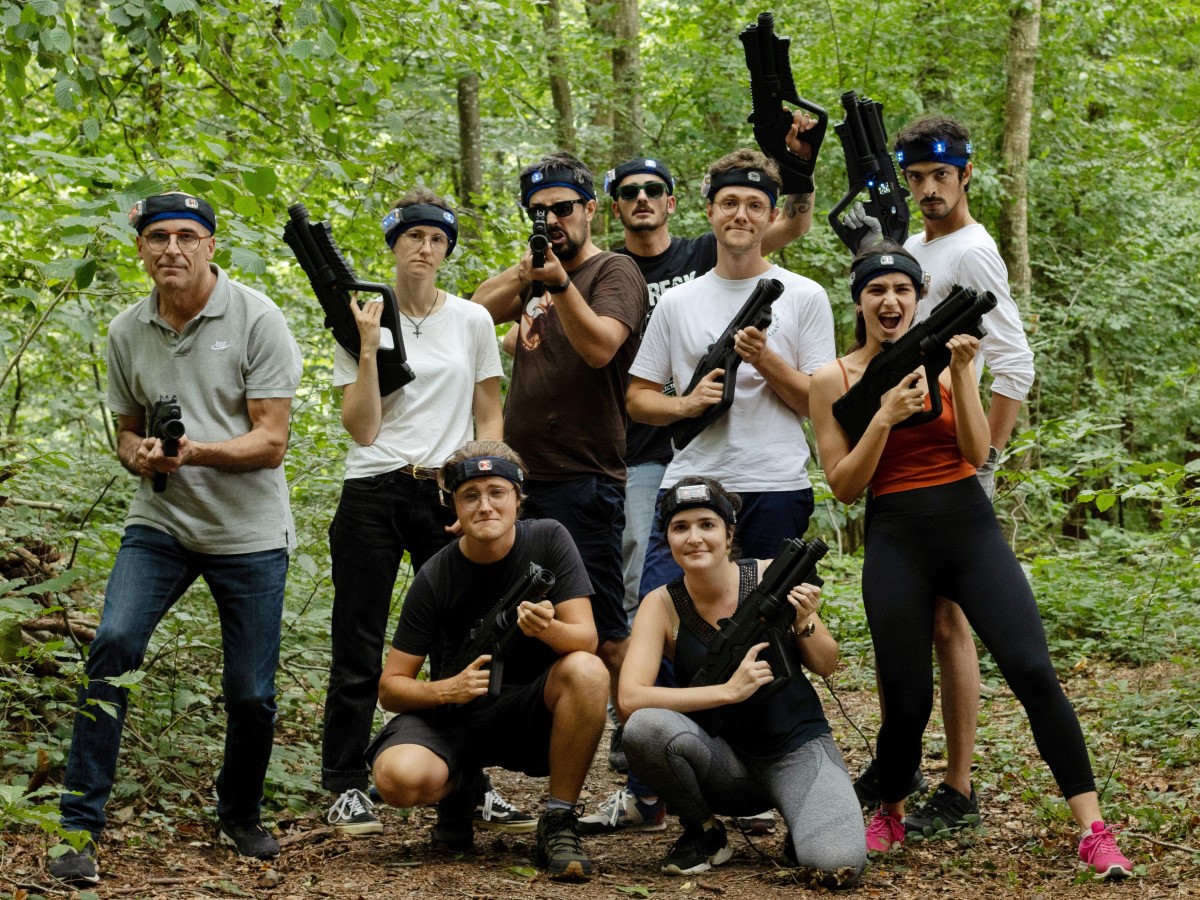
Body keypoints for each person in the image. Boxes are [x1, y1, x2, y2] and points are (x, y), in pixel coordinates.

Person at [807, 244, 1132, 878]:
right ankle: (891, 811)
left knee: (1032, 668)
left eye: (903, 289)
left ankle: (1093, 828)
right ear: (859, 301)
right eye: (877, 291)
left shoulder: (947, 356)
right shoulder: (831, 380)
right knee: (906, 700)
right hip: (896, 534)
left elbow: (978, 451)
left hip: (969, 527)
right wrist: (882, 419)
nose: (891, 301)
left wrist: (960, 375)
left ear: (918, 297)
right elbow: (844, 486)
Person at [48, 192, 303, 885]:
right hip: (159, 524)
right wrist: (142, 457)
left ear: (211, 245)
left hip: (248, 531)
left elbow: (272, 441)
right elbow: (127, 433)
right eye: (158, 236)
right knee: (113, 647)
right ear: (141, 248)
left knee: (250, 692)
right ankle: (77, 826)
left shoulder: (256, 318)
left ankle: (240, 812)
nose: (173, 249)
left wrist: (195, 454)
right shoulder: (127, 331)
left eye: (188, 235)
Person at [581, 139, 822, 832]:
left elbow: (815, 403)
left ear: (770, 214)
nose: (741, 215)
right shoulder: (680, 302)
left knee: (772, 636)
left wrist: (765, 360)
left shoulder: (803, 297)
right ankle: (659, 789)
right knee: (666, 638)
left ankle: (758, 778)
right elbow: (638, 400)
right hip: (688, 489)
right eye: (729, 203)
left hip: (775, 484)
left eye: (754, 204)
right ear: (710, 213)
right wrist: (688, 406)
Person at [844, 115, 1037, 834]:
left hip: (954, 468)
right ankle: (901, 770)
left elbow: (1013, 363)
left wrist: (981, 460)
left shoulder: (975, 250)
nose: (928, 190)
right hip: (900, 464)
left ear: (966, 175)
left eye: (940, 177)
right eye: (917, 178)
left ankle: (957, 786)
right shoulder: (916, 249)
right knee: (907, 625)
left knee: (951, 623)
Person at [321, 188, 528, 837]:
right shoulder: (363, 313)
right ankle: (346, 782)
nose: (425, 248)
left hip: (445, 493)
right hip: (373, 490)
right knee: (358, 639)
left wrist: (485, 476)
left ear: (446, 251)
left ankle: (466, 784)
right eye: (413, 237)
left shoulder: (470, 319)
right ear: (394, 245)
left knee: (460, 642)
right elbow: (361, 428)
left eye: (437, 239)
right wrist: (362, 345)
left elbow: (489, 408)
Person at [366, 442, 609, 880]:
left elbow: (586, 640)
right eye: (470, 495)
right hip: (454, 716)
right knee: (397, 779)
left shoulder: (549, 538)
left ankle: (558, 820)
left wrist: (547, 630)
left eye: (497, 492)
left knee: (586, 670)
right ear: (453, 507)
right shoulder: (436, 575)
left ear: (518, 498)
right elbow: (390, 687)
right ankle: (462, 790)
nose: (485, 506)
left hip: (529, 714)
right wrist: (446, 689)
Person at [618, 477, 866, 884]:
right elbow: (630, 698)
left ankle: (805, 820)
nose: (694, 538)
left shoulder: (772, 574)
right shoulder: (661, 604)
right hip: (721, 765)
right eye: (681, 527)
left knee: (837, 865)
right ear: (667, 538)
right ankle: (705, 831)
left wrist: (805, 623)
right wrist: (726, 691)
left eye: (707, 524)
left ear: (730, 533)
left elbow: (827, 665)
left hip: (797, 752)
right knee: (645, 726)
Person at [472, 152, 648, 713]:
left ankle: (637, 751)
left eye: (563, 208)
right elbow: (475, 313)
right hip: (520, 482)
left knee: (605, 626)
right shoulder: (535, 272)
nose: (552, 220)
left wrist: (559, 283)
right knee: (518, 617)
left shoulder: (614, 271)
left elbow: (600, 348)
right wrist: (527, 272)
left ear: (590, 209)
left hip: (584, 477)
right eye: (539, 211)